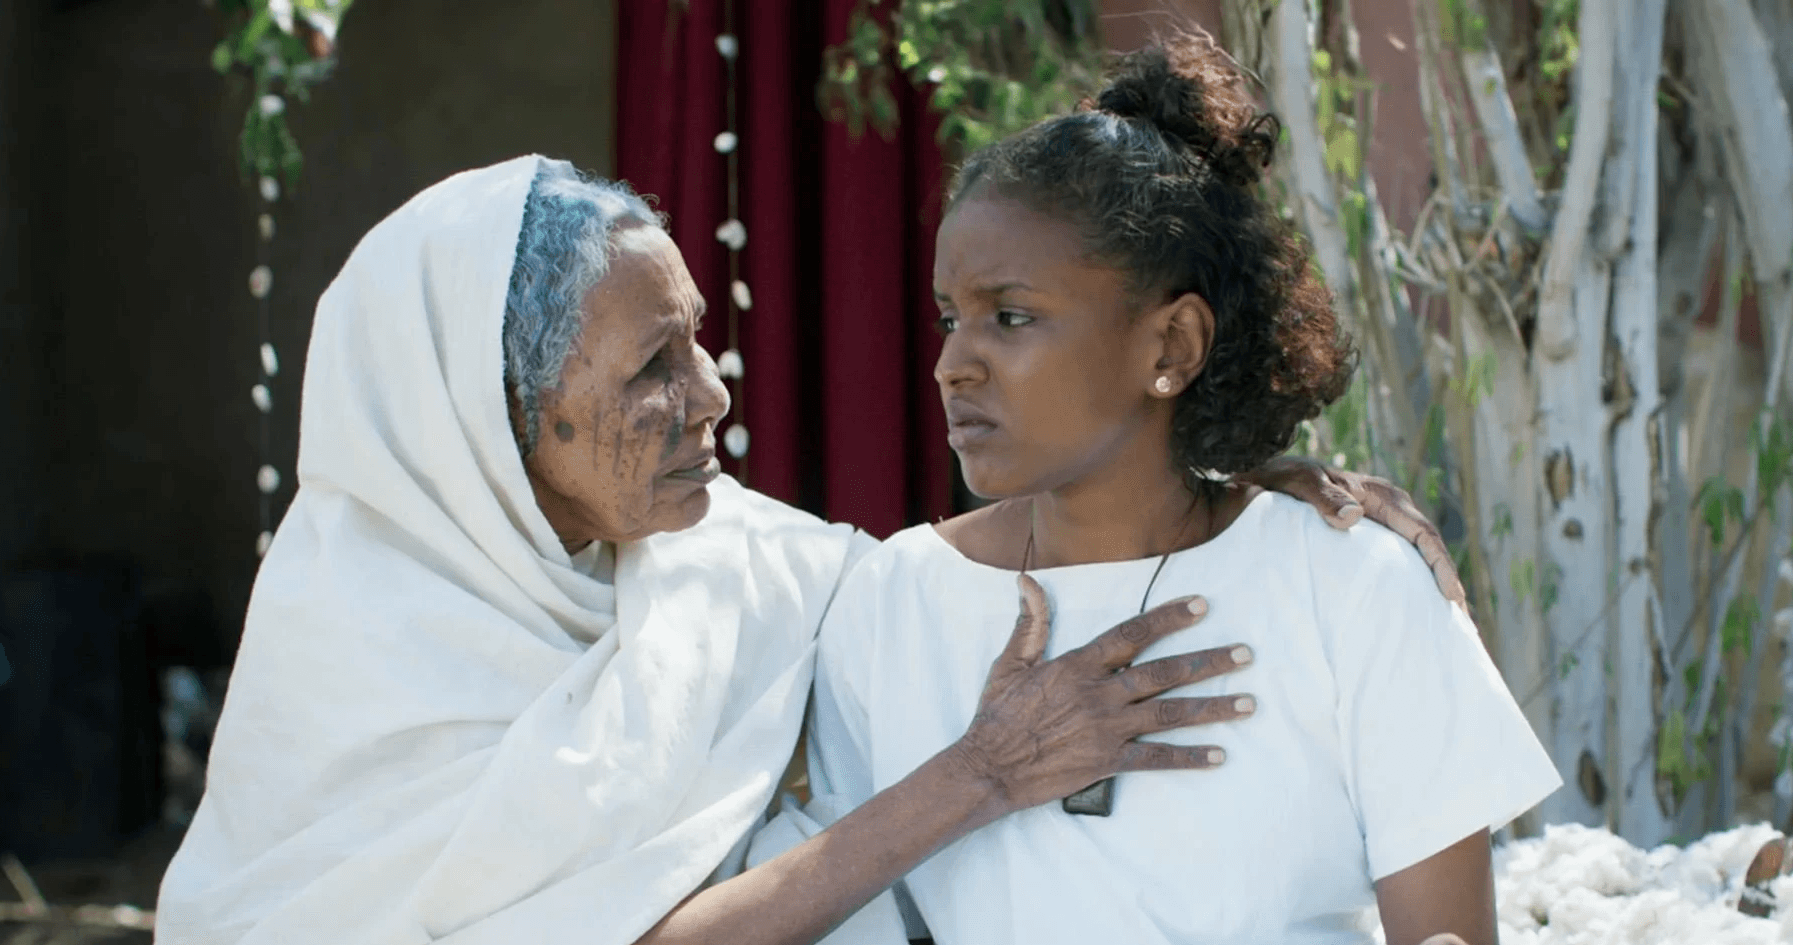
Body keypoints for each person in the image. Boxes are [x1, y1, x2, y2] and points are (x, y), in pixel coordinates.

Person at [152, 154, 1466, 945]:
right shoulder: (351, 663)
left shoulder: (716, 562)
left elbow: (928, 567)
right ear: (492, 420)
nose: (712, 395)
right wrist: (983, 773)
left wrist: (1215, 484)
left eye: (698, 339)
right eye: (651, 368)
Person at [799, 36, 1563, 945]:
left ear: (1173, 345)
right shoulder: (890, 606)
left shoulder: (1350, 583)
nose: (953, 364)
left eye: (1011, 316)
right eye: (948, 318)